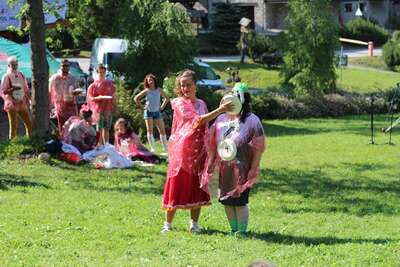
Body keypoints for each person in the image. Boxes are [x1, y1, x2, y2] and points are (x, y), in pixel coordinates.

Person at [161, 70, 233, 234]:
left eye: (188, 84)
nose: (185, 88)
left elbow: (206, 126)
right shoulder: (178, 102)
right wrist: (220, 110)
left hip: (199, 150)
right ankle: (168, 224)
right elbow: (197, 121)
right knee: (176, 184)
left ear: (195, 85)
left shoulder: (201, 103)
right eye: (182, 85)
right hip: (182, 150)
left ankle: (194, 223)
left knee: (197, 185)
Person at [201, 83, 266, 237]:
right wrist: (210, 163)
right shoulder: (222, 119)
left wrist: (253, 168)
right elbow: (212, 143)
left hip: (243, 167)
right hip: (225, 167)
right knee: (227, 200)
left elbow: (259, 146)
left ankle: (242, 231)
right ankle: (233, 230)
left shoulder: (252, 120)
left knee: (240, 200)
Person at [134, 74, 169, 154]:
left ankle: (165, 149)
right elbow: (136, 98)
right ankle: (153, 149)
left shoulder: (159, 90)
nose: (150, 81)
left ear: (154, 80)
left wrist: (162, 107)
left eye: (151, 79)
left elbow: (166, 98)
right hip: (148, 112)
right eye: (148, 80)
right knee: (149, 130)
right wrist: (142, 107)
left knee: (162, 130)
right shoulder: (146, 90)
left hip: (157, 112)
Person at [0, 56, 32, 139]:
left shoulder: (21, 74)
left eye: (16, 64)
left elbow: (26, 88)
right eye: (13, 65)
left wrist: (30, 99)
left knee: (29, 123)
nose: (14, 66)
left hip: (21, 102)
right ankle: (13, 144)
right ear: (9, 65)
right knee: (14, 125)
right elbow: (3, 91)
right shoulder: (6, 76)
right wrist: (13, 89)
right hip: (11, 104)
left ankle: (30, 139)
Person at [86, 64, 117, 145]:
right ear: (97, 72)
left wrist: (115, 106)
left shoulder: (110, 84)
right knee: (99, 129)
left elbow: (114, 96)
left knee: (106, 128)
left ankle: (106, 146)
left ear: (105, 72)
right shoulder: (93, 85)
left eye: (103, 72)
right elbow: (90, 98)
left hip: (108, 109)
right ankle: (99, 146)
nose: (102, 74)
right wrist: (98, 98)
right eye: (100, 72)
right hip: (98, 110)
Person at [49, 59, 81, 136]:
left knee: (73, 126)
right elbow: (50, 91)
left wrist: (76, 92)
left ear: (69, 67)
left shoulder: (72, 78)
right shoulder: (55, 78)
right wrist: (51, 106)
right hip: (60, 106)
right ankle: (63, 144)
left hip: (71, 105)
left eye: (67, 66)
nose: (65, 67)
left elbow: (78, 89)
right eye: (63, 66)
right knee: (62, 127)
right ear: (60, 67)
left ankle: (72, 144)